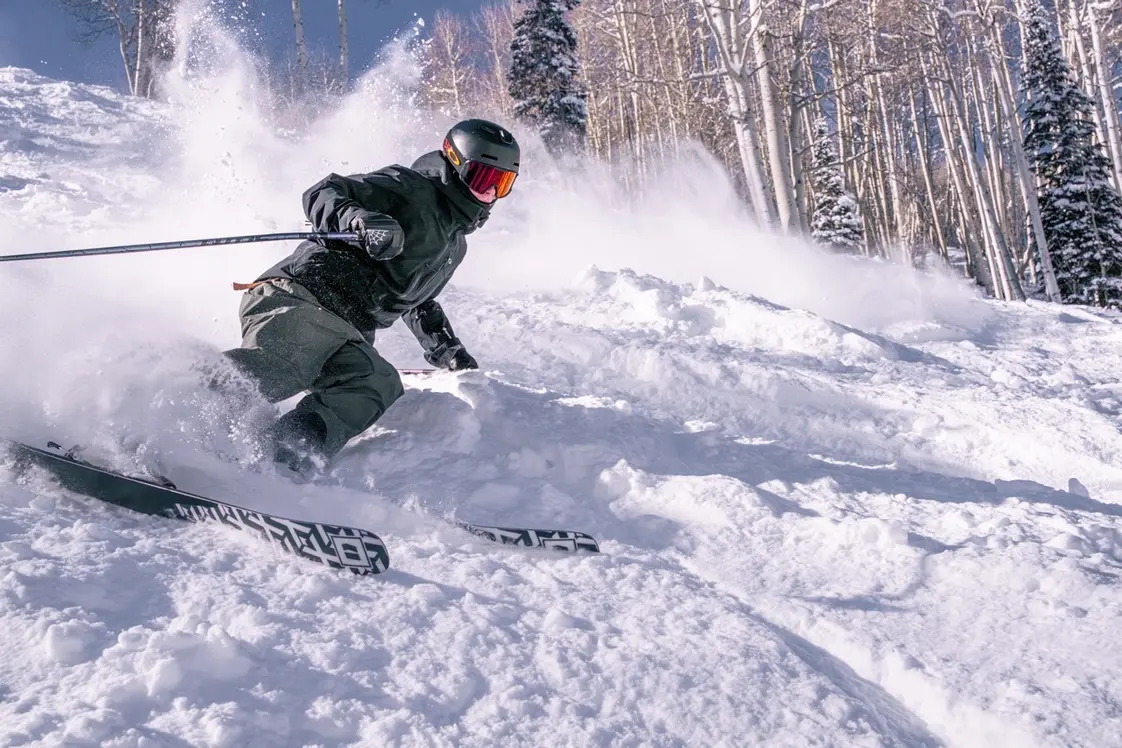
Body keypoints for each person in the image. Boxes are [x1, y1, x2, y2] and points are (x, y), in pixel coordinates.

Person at [223, 118, 520, 475]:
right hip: (303, 296)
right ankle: (181, 409)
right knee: (287, 364)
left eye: (503, 183)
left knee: (375, 383)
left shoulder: (454, 247)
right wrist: (359, 219)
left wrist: (449, 350)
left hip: (345, 332)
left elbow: (417, 302)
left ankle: (278, 458)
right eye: (484, 178)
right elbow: (323, 192)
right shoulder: (410, 187)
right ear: (457, 164)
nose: (491, 193)